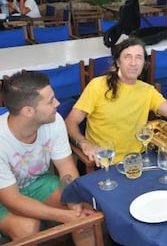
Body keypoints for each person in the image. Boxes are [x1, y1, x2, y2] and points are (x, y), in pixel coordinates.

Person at [0, 71, 96, 244]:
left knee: (83, 209)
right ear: (28, 111)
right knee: (27, 228)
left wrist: (74, 202)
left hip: (37, 183)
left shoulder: (54, 120)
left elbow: (66, 166)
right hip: (4, 196)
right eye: (50, 101)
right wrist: (64, 215)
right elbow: (12, 199)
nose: (57, 103)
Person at [65, 36, 167, 164]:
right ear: (118, 62)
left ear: (144, 64)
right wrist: (84, 143)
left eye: (139, 58)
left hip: (137, 160)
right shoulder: (97, 85)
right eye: (127, 57)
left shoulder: (147, 90)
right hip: (104, 162)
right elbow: (71, 121)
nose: (133, 63)